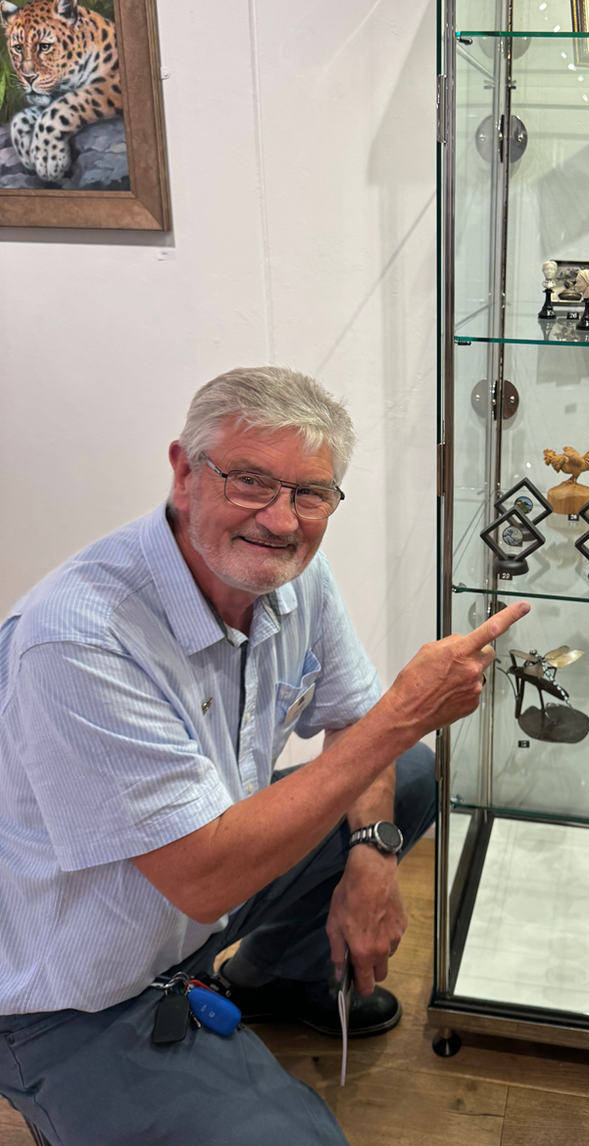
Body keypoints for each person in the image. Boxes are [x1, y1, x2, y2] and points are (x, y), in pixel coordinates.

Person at [0, 366, 529, 1146]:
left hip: (193, 908)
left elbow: (349, 721)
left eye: (311, 493)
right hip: (76, 988)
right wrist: (402, 717)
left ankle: (273, 975)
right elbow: (198, 874)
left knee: (406, 783)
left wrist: (374, 858)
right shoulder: (78, 637)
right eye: (250, 481)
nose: (281, 521)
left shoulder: (289, 581)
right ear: (184, 473)